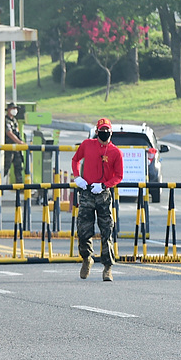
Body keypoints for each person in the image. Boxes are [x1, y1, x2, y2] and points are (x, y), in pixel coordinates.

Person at [71, 117, 124, 282]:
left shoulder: (115, 152)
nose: (104, 134)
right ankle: (87, 258)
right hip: (87, 192)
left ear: (111, 132)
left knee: (106, 231)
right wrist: (77, 177)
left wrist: (105, 185)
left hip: (103, 194)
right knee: (83, 229)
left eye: (107, 131)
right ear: (96, 132)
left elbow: (119, 176)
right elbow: (75, 160)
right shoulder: (87, 145)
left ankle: (108, 267)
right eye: (101, 131)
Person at [4, 102, 26, 183]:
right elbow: (9, 133)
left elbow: (17, 133)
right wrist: (19, 142)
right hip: (8, 147)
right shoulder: (6, 120)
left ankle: (19, 186)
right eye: (13, 108)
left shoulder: (14, 121)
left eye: (15, 109)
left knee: (18, 166)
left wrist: (20, 142)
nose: (14, 110)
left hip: (16, 147)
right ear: (8, 110)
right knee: (6, 166)